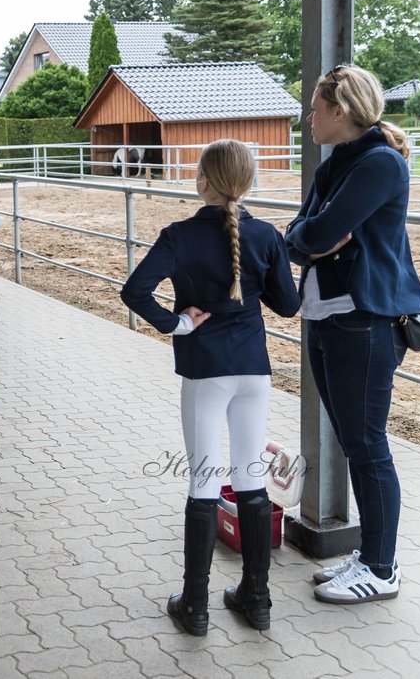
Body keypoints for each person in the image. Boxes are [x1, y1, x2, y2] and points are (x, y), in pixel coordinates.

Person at [120, 139, 301, 636]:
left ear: (203, 181)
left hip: (204, 370)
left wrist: (176, 324)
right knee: (249, 478)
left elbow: (133, 291)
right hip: (253, 371)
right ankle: (257, 599)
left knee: (203, 481)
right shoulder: (265, 235)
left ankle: (196, 604)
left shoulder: (179, 235)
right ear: (247, 182)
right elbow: (289, 307)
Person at [285, 64, 420, 605]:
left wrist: (318, 236)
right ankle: (368, 556)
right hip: (325, 316)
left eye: (314, 110)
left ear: (338, 111)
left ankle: (381, 568)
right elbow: (302, 239)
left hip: (364, 321)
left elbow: (314, 231)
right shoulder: (334, 166)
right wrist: (318, 238)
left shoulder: (379, 164)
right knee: (353, 441)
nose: (308, 119)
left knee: (367, 447)